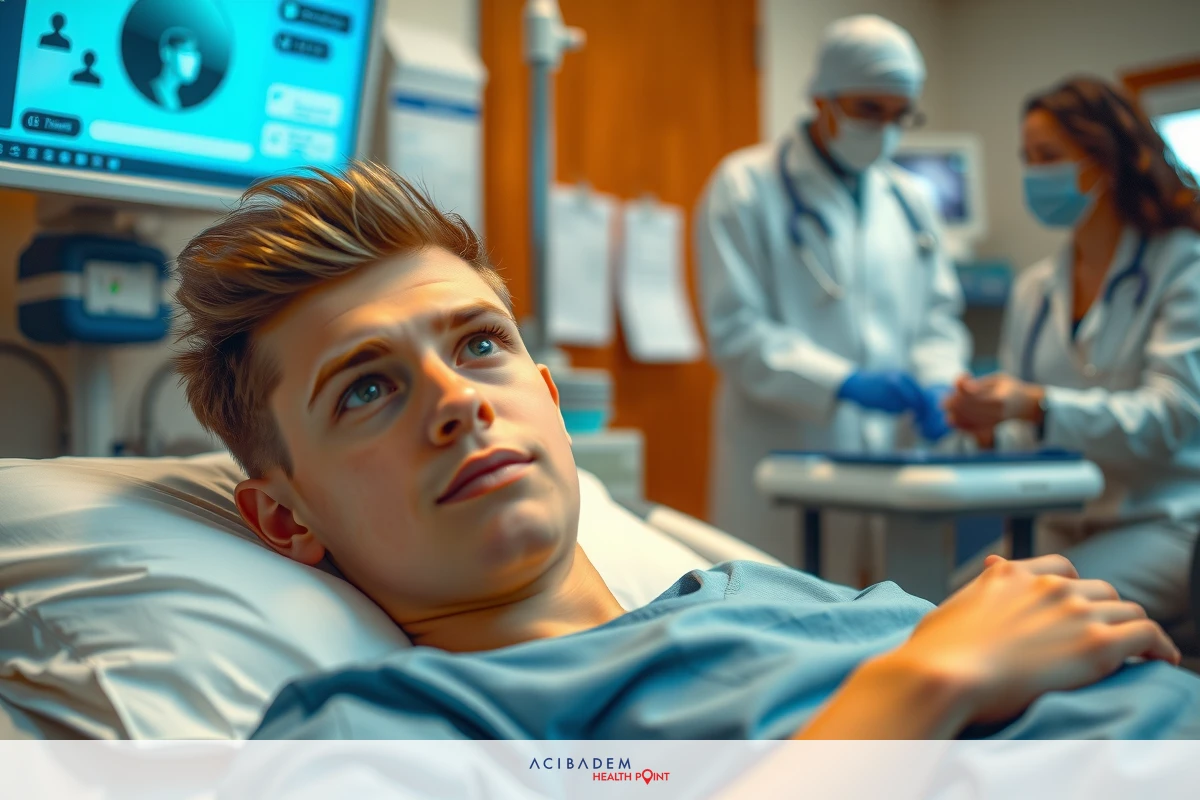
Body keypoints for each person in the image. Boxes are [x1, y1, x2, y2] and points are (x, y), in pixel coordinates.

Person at [167, 161, 1199, 740]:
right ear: (286, 515)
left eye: (481, 345)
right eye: (367, 386)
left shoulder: (770, 595)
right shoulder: (385, 729)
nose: (456, 403)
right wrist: (933, 678)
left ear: (546, 396)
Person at [694, 15, 969, 570]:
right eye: (870, 110)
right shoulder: (745, 185)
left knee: (904, 622)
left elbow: (939, 316)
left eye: (900, 116)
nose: (886, 130)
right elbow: (735, 331)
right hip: (785, 455)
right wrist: (842, 383)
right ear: (823, 98)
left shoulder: (910, 198)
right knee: (789, 618)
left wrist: (938, 379)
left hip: (896, 457)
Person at [945, 77, 1200, 634]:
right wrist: (989, 426)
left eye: (1049, 157)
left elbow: (1173, 418)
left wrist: (1033, 404)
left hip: (1165, 523)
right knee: (946, 608)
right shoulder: (1036, 289)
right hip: (1062, 525)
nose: (1035, 174)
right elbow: (1027, 433)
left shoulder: (1183, 265)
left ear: (1105, 162)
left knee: (1011, 625)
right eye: (1027, 158)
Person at [151, 28, 202, 111]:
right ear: (167, 54)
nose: (192, 60)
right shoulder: (145, 92)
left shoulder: (184, 101)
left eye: (194, 53)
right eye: (186, 51)